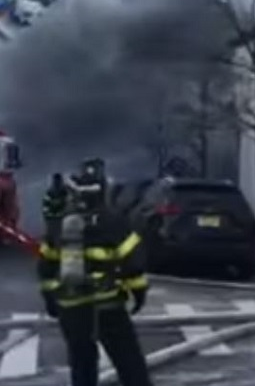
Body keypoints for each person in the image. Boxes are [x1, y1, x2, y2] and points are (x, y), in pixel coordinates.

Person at [37, 158, 153, 386]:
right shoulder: (113, 222)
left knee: (82, 365)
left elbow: (46, 266)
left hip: (71, 308)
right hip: (107, 305)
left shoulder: (60, 223)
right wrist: (138, 294)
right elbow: (133, 263)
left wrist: (51, 300)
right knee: (130, 364)